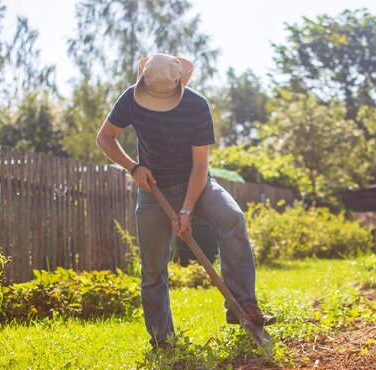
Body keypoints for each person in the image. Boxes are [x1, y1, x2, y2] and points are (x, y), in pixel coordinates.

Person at [96, 53, 276, 350]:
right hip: (154, 190)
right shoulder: (130, 98)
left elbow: (200, 166)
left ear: (180, 81)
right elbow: (105, 137)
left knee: (232, 218)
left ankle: (243, 307)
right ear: (143, 82)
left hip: (197, 182)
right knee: (153, 267)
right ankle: (162, 340)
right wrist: (133, 167)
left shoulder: (196, 105)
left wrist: (186, 210)